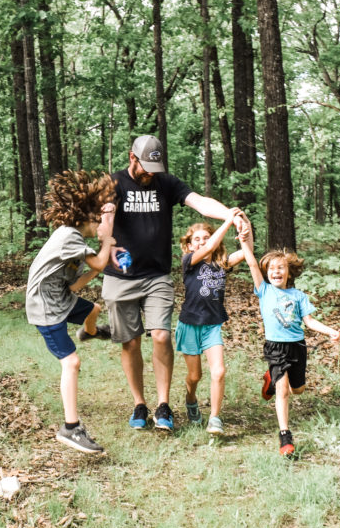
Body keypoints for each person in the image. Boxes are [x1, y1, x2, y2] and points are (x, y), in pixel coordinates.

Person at [103, 135, 247, 432]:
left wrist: (230, 215)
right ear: (132, 157)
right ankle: (139, 403)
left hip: (156, 276)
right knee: (129, 342)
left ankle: (163, 404)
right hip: (120, 277)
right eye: (146, 167)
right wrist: (108, 242)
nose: (150, 174)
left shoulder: (166, 183)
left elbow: (201, 204)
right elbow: (102, 221)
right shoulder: (113, 184)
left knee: (161, 336)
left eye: (155, 168)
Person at [26, 170, 117, 454]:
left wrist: (96, 265)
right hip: (45, 308)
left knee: (94, 308)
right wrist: (108, 238)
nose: (98, 225)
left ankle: (89, 332)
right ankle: (71, 428)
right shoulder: (69, 237)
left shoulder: (73, 241)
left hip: (61, 298)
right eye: (97, 220)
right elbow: (101, 263)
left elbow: (77, 282)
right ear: (85, 218)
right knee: (71, 363)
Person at [238, 236, 340, 457]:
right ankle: (285, 436)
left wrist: (330, 330)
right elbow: (252, 263)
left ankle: (270, 379)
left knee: (297, 390)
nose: (276, 271)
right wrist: (245, 241)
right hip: (275, 347)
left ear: (289, 272)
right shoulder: (264, 291)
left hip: (297, 347)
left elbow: (310, 322)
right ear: (267, 273)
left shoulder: (299, 296)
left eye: (281, 268)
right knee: (283, 391)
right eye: (272, 268)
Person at [175, 211, 247, 435]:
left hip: (212, 326)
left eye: (206, 237)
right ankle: (191, 399)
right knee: (195, 376)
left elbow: (247, 251)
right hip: (189, 325)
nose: (202, 242)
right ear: (188, 245)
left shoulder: (222, 264)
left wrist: (245, 227)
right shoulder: (189, 262)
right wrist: (228, 220)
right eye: (196, 239)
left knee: (219, 372)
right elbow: (205, 250)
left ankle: (215, 418)